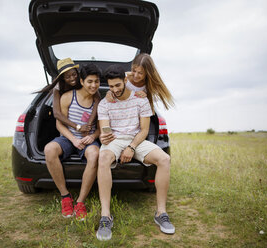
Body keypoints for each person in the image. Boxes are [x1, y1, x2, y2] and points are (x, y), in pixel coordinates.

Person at [95, 65, 174, 241]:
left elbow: (144, 130)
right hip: (114, 140)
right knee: (103, 158)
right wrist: (104, 136)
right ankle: (106, 217)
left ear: (125, 81)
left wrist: (131, 147)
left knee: (164, 159)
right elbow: (105, 130)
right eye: (111, 86)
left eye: (117, 85)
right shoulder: (104, 103)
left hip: (137, 139)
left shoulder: (140, 100)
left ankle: (161, 213)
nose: (114, 90)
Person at [44, 63, 102, 220]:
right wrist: (74, 139)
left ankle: (80, 202)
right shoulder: (68, 96)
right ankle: (65, 197)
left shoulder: (99, 100)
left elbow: (101, 127)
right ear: (82, 81)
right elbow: (59, 124)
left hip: (89, 140)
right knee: (49, 150)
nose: (94, 85)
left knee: (95, 154)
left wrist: (93, 136)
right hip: (68, 138)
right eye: (90, 82)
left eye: (96, 82)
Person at [37, 58, 99, 134]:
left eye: (74, 74)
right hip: (67, 126)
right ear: (62, 78)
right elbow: (57, 114)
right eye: (67, 77)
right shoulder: (58, 88)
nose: (72, 78)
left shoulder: (84, 82)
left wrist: (88, 124)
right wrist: (77, 127)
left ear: (77, 72)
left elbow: (97, 99)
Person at [105, 53, 174, 112]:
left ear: (147, 73)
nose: (135, 75)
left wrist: (146, 96)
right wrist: (109, 93)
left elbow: (157, 98)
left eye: (140, 73)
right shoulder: (125, 78)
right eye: (134, 71)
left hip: (137, 114)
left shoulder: (149, 85)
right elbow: (114, 88)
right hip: (121, 111)